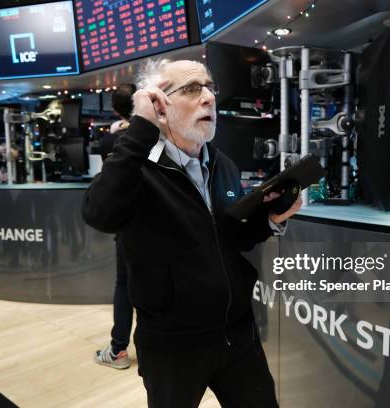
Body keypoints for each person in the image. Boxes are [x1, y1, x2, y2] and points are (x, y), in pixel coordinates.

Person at [83, 59, 301, 407]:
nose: (208, 98)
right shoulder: (138, 166)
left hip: (237, 334)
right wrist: (140, 128)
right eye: (191, 89)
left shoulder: (221, 163)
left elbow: (230, 238)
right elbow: (100, 213)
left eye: (210, 87)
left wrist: (269, 221)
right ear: (159, 106)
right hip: (173, 345)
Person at [94, 84, 137, 370]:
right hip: (158, 222)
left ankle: (118, 350)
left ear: (115, 111)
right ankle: (150, 355)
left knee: (125, 286)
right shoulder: (159, 137)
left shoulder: (108, 143)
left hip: (127, 223)